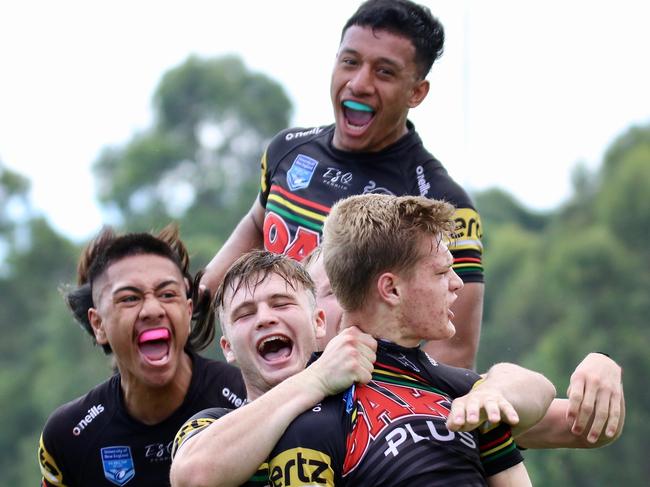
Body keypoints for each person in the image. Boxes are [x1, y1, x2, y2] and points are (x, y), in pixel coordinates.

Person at [201, 0, 484, 369]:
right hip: (269, 382)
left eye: (384, 72)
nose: (359, 83)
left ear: (417, 92)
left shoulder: (440, 202)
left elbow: (455, 351)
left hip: (356, 402)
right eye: (350, 62)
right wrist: (197, 298)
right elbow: (258, 224)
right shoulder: (287, 150)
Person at [170, 248, 557, 486]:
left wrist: (492, 389)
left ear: (319, 322)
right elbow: (193, 476)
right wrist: (315, 379)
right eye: (245, 314)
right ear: (228, 349)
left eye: (281, 303)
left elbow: (544, 404)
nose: (265, 319)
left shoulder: (387, 391)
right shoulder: (211, 423)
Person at [303, 246, 625, 448]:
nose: (351, 305)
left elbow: (580, 428)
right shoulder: (284, 394)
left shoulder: (439, 392)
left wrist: (602, 365)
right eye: (335, 293)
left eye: (357, 290)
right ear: (308, 314)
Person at [38, 226, 246, 487]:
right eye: (129, 298)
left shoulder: (247, 399)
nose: (152, 309)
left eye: (167, 294)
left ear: (187, 309)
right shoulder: (69, 436)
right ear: (98, 324)